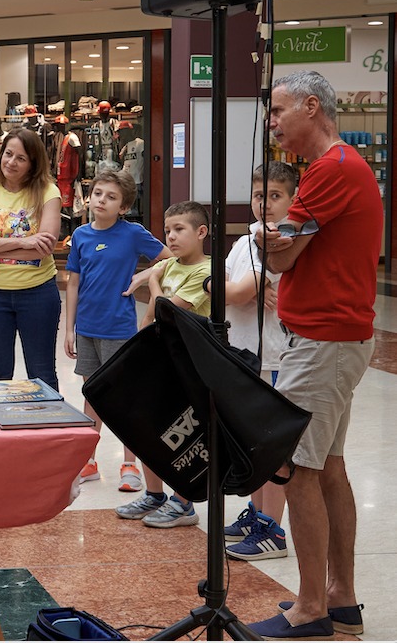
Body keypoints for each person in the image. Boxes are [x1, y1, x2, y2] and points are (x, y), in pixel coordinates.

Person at [247, 70, 380, 640]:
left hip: (324, 341)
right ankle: (340, 599)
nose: (272, 123)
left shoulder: (330, 169)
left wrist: (266, 240)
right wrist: (275, 238)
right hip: (335, 338)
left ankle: (310, 608)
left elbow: (281, 258)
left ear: (310, 106)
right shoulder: (341, 166)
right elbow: (289, 247)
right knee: (327, 466)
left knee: (297, 468)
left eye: (278, 111)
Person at [63, 170, 170, 490]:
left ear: (123, 207)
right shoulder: (80, 235)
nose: (102, 201)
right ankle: (89, 460)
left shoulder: (133, 233)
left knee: (125, 398)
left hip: (119, 329)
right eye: (98, 194)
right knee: (92, 394)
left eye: (111, 197)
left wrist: (144, 276)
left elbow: (169, 259)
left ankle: (129, 463)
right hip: (87, 329)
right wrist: (69, 329)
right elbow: (73, 283)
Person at [214, 162, 296, 561]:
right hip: (244, 353)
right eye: (260, 195)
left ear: (292, 200)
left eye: (275, 196)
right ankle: (257, 514)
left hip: (273, 357)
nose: (265, 203)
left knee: (273, 446)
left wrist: (226, 288)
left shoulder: (285, 243)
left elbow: (233, 291)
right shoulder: (244, 242)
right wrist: (227, 287)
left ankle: (272, 530)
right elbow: (221, 285)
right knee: (252, 443)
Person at [115, 200, 210, 529]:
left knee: (182, 435)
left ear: (201, 232)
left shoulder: (204, 271)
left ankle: (183, 502)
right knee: (148, 426)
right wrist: (140, 348)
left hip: (187, 365)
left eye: (179, 229)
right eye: (168, 230)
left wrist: (153, 281)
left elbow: (167, 309)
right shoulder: (169, 266)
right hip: (159, 359)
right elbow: (150, 316)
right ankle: (154, 494)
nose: (170, 237)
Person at [0, 128, 62, 390]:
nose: (11, 162)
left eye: (21, 158)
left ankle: (48, 419)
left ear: (33, 163)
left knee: (42, 375)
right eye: (8, 154)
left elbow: (44, 248)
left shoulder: (48, 192)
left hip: (38, 293)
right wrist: (23, 242)